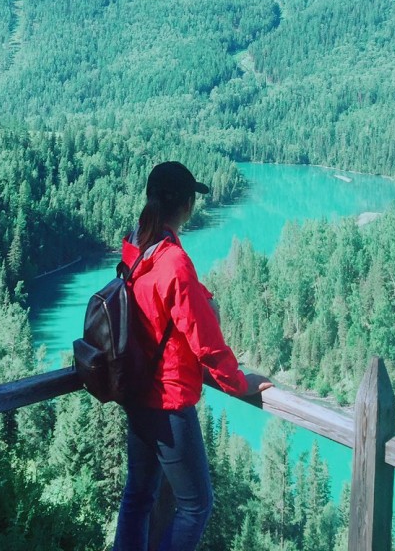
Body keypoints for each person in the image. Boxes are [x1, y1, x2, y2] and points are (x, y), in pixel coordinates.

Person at [113, 160, 272, 551]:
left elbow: (160, 299)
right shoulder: (173, 260)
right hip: (167, 401)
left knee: (138, 496)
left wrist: (202, 297)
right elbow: (207, 344)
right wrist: (239, 383)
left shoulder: (138, 243)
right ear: (187, 205)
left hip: (136, 391)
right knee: (196, 505)